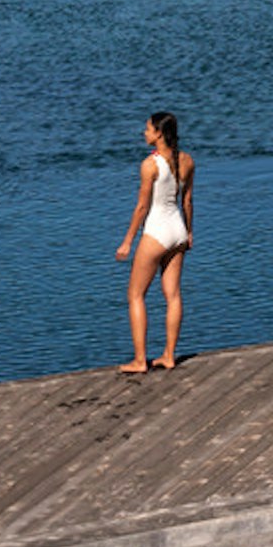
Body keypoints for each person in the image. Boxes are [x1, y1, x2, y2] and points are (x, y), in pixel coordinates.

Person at [115, 111, 197, 373]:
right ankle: (169, 356)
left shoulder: (150, 165)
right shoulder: (187, 160)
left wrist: (127, 241)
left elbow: (142, 207)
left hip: (157, 233)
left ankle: (140, 361)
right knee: (173, 295)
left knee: (135, 295)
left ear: (159, 133)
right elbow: (187, 201)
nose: (144, 133)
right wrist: (190, 232)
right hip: (178, 231)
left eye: (148, 129)